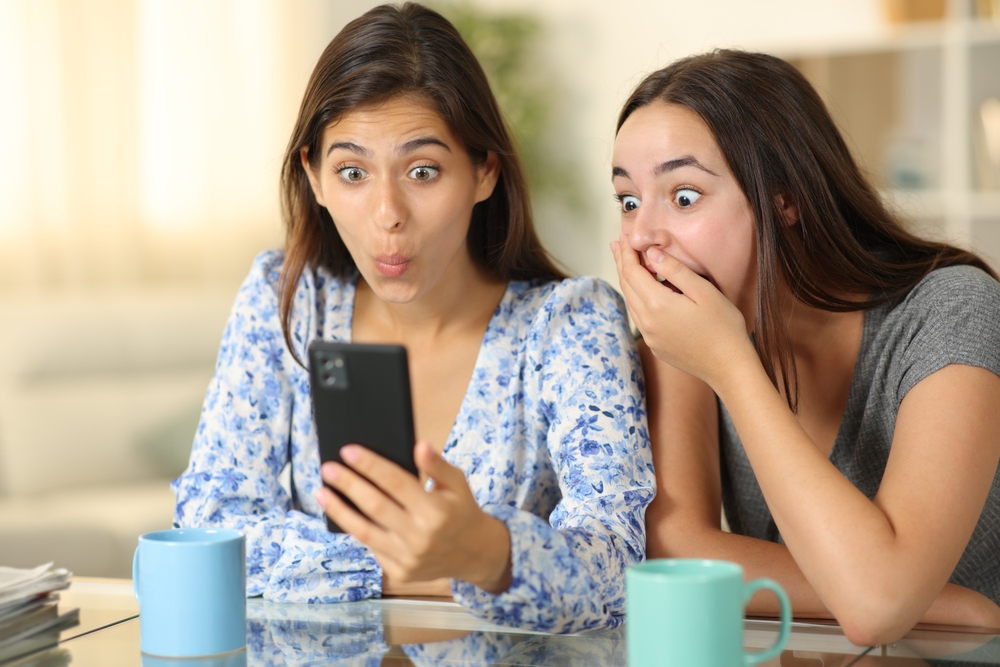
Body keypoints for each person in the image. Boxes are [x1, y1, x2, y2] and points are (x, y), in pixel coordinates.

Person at [172, 2, 653, 634]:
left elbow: (617, 563)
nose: (387, 213)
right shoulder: (286, 299)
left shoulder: (570, 324)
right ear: (313, 177)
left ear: (484, 171)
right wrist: (436, 568)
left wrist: (483, 549)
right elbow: (207, 527)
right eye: (351, 172)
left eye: (422, 171)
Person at [609, 49, 1000, 646]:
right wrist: (941, 606)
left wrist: (732, 366)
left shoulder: (952, 312)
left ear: (785, 200)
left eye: (683, 196)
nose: (641, 236)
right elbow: (675, 546)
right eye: (629, 201)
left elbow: (875, 605)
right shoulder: (686, 333)